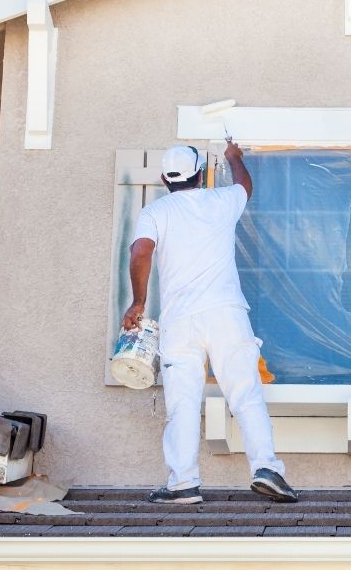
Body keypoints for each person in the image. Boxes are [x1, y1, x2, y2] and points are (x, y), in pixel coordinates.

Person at [121, 140, 297, 504]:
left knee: (182, 403)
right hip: (226, 315)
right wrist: (234, 157)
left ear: (163, 179)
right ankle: (267, 469)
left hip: (180, 322)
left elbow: (140, 251)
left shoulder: (155, 212)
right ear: (200, 175)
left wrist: (138, 302)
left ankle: (183, 484)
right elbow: (244, 185)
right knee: (245, 394)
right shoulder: (221, 201)